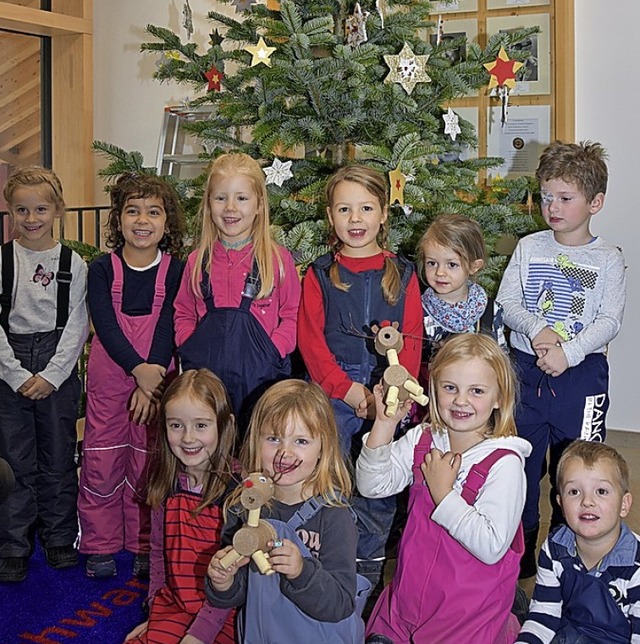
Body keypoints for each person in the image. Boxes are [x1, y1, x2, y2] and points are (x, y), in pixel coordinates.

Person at [357, 333, 531, 644]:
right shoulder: (425, 437)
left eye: (477, 391)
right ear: (433, 390)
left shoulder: (505, 465)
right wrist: (385, 424)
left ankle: (506, 631)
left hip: (462, 620)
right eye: (450, 387)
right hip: (405, 600)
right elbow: (372, 485)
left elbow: (490, 546)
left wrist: (444, 494)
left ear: (499, 398)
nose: (461, 400)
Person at [497, 141, 626, 578]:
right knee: (522, 469)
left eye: (564, 198)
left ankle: (569, 556)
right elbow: (508, 302)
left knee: (579, 469)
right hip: (526, 374)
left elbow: (609, 320)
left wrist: (569, 353)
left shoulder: (608, 260)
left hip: (580, 378)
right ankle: (522, 559)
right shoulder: (529, 247)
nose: (551, 206)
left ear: (595, 202)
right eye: (546, 195)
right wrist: (537, 331)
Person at [205, 379, 372, 644]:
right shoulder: (246, 507)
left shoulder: (333, 516)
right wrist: (222, 583)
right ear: (256, 441)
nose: (285, 452)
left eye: (301, 440)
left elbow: (341, 603)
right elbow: (239, 592)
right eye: (273, 438)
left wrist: (301, 571)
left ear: (323, 446)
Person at [297, 163, 423, 590]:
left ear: (384, 214)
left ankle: (368, 567)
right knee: (330, 477)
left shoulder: (403, 273)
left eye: (366, 208)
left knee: (376, 484)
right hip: (334, 394)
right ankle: (326, 559)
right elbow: (312, 344)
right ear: (330, 216)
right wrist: (349, 392)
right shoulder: (318, 274)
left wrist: (389, 394)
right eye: (345, 209)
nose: (355, 219)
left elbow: (412, 338)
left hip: (388, 396)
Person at [462, 440, 640, 644]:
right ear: (559, 502)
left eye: (601, 491)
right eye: (574, 492)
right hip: (563, 643)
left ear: (624, 504)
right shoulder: (556, 548)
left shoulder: (636, 566)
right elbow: (544, 618)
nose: (587, 501)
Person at [109, 369, 238, 644]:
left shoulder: (239, 495)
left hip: (224, 614)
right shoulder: (166, 484)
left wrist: (200, 636)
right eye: (175, 425)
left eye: (201, 425)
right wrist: (155, 616)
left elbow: (241, 584)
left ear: (224, 425)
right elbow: (157, 555)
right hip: (176, 604)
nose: (188, 437)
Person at [78, 173, 185, 579]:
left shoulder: (176, 272)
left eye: (153, 212)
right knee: (103, 459)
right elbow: (104, 324)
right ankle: (100, 542)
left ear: (167, 222)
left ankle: (144, 542)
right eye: (133, 210)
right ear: (118, 219)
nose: (143, 220)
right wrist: (139, 371)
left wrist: (152, 378)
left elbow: (169, 325)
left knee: (149, 459)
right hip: (112, 379)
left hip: (157, 381)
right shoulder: (102, 269)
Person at [0, 166, 89, 582]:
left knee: (57, 456)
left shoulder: (74, 263)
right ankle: (14, 543)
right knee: (16, 460)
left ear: (57, 209)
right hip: (10, 367)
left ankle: (58, 536)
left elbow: (77, 325)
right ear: (10, 211)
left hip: (57, 365)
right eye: (22, 209)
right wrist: (15, 375)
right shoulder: (2, 260)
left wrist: (53, 374)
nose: (31, 218)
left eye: (40, 208)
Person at [174, 152, 300, 437]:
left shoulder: (277, 260)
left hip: (263, 380)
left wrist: (274, 348)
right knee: (210, 450)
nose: (230, 208)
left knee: (255, 450)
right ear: (208, 204)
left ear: (259, 205)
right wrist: (188, 342)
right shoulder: (197, 262)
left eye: (241, 198)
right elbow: (183, 311)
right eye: (221, 198)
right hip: (207, 384)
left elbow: (292, 315)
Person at [418, 213, 507, 370]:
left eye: (451, 265)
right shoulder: (418, 311)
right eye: (432, 263)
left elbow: (501, 365)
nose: (440, 272)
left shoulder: (491, 311)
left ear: (474, 266)